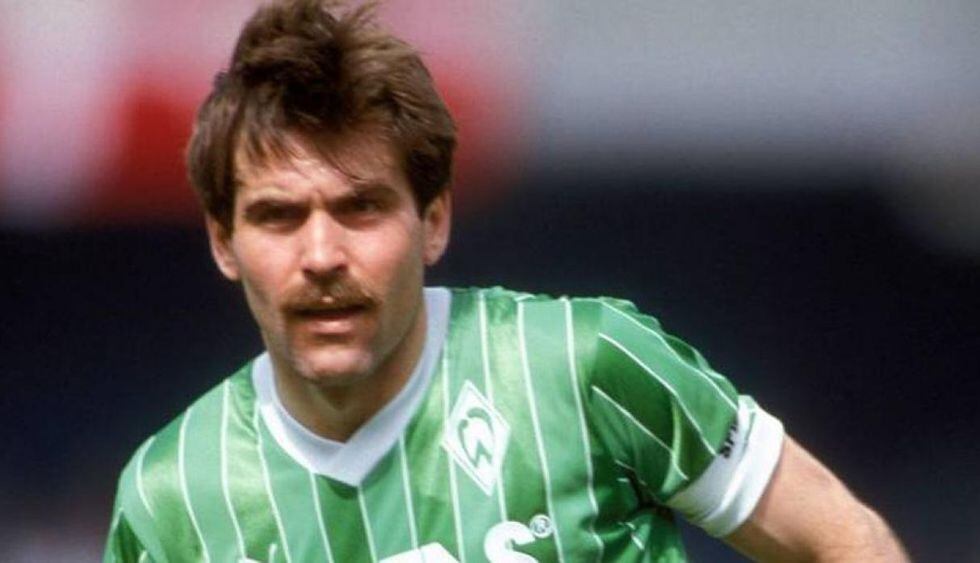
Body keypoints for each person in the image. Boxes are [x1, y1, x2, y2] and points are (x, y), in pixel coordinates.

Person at [104, 1, 908, 561]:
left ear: (434, 221)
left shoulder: (585, 367)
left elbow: (842, 541)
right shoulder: (173, 496)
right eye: (279, 216)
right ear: (224, 241)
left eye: (361, 208)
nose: (322, 254)